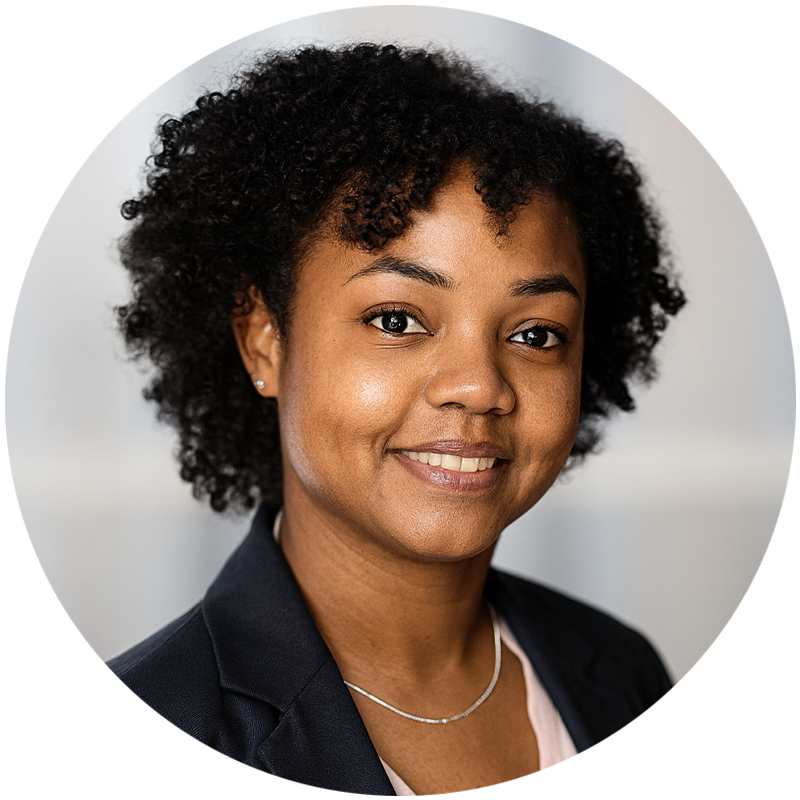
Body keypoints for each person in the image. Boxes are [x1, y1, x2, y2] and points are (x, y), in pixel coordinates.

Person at [6, 44, 686, 795]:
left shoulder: (620, 675)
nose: (478, 387)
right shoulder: (91, 762)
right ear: (264, 340)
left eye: (536, 333)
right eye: (397, 319)